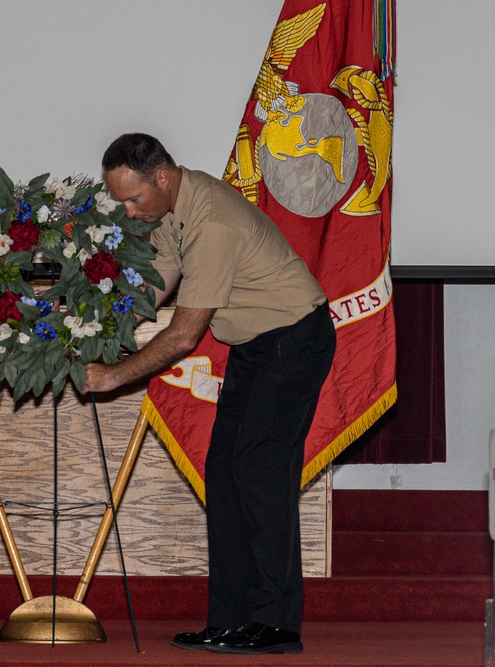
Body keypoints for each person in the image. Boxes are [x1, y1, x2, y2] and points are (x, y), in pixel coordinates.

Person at [83, 133, 336, 655]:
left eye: (133, 199)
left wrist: (112, 376)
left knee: (260, 476)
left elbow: (182, 336)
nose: (129, 212)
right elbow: (158, 286)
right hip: (258, 347)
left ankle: (275, 624)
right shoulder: (173, 208)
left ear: (163, 177)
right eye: (121, 202)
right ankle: (230, 619)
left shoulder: (211, 221)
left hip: (292, 342)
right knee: (225, 474)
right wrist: (96, 335)